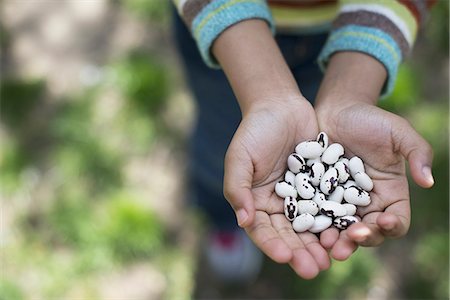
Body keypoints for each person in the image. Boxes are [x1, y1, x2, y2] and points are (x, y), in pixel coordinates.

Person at [172, 0, 436, 281]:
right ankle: (223, 218)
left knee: (301, 120)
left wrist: (350, 92)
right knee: (223, 153)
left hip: (338, 37)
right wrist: (266, 94)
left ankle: (230, 211)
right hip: (220, 28)